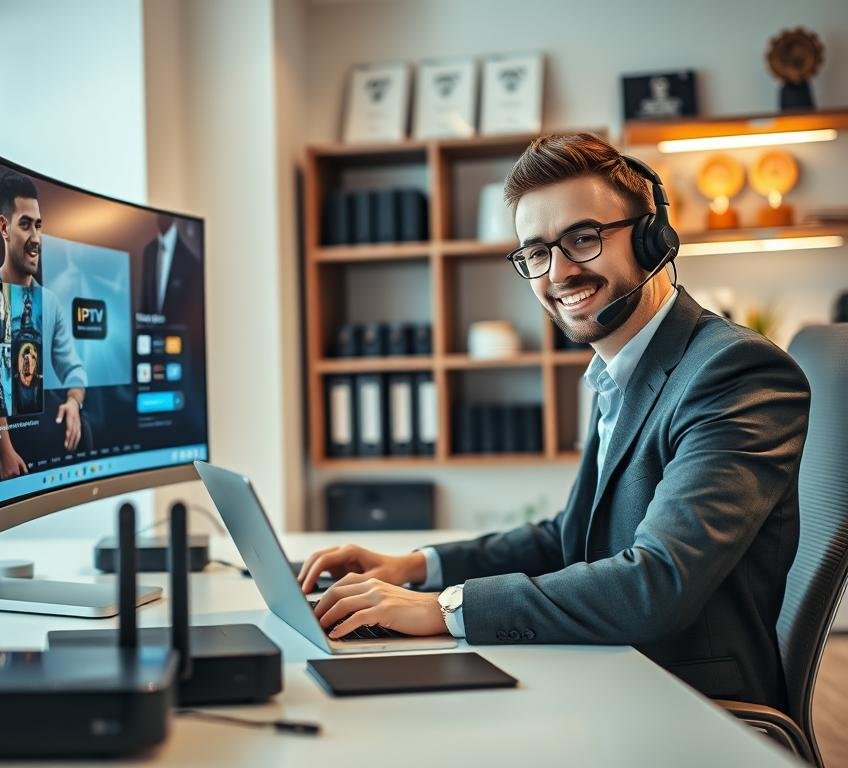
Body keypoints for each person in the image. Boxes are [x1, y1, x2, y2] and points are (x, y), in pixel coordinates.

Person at [297, 133, 810, 708]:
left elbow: (657, 583)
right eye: (536, 252)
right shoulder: (623, 366)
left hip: (688, 701)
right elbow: (569, 535)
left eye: (583, 239)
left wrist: (444, 607)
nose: (558, 272)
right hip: (612, 670)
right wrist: (417, 566)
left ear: (653, 240)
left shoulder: (733, 372)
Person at [0, 172, 88, 478]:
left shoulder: (50, 303)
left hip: (38, 438)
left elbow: (74, 368)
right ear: (4, 227)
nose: (36, 238)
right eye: (25, 224)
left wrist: (73, 402)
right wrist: (4, 453)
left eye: (39, 226)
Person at [139, 214, 200, 323]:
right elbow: (145, 300)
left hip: (179, 336)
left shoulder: (190, 260)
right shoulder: (149, 251)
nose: (159, 217)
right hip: (149, 333)